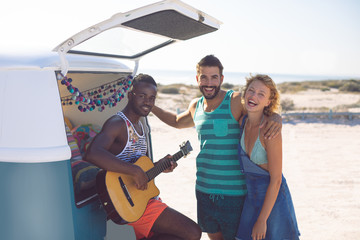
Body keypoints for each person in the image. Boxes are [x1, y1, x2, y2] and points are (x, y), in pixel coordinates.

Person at [151, 55, 282, 240]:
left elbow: (259, 110)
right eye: (204, 77)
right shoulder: (195, 106)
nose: (209, 82)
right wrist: (151, 107)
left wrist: (277, 118)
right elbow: (176, 121)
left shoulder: (235, 100)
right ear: (198, 79)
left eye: (214, 77)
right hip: (204, 191)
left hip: (235, 195)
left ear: (221, 78)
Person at [85, 74, 202, 240]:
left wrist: (159, 166)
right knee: (193, 233)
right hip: (126, 200)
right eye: (142, 96)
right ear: (130, 95)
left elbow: (139, 168)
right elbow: (93, 153)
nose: (148, 102)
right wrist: (133, 171)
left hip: (142, 198)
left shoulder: (140, 126)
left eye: (152, 98)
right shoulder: (117, 123)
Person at [236, 74, 300, 240]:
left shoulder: (270, 130)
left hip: (274, 201)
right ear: (244, 94)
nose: (254, 96)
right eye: (251, 90)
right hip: (251, 199)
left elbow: (276, 180)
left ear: (268, 102)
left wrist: (262, 220)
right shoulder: (242, 121)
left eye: (261, 94)